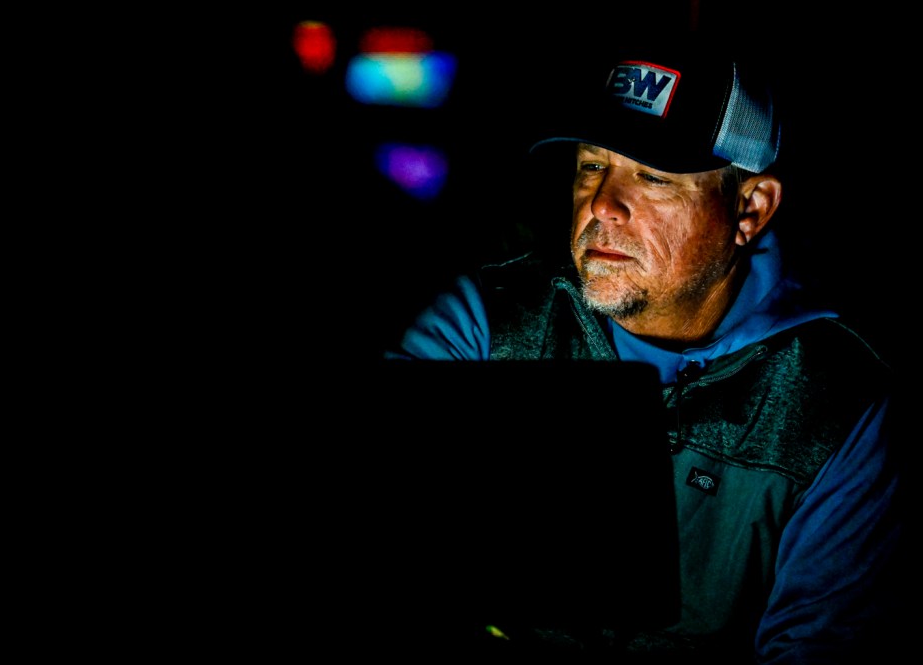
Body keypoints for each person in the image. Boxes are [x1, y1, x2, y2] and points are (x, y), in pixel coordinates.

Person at [382, 34, 906, 663]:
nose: (603, 204)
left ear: (750, 208)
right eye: (592, 166)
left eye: (653, 176)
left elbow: (817, 650)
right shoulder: (489, 317)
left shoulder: (838, 401)